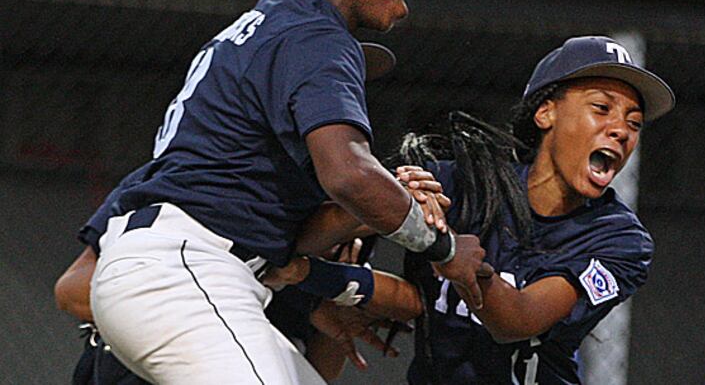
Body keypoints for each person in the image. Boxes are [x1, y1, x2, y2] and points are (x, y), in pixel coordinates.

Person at [83, 0, 493, 383]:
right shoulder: (316, 32)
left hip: (202, 271)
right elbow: (348, 173)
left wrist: (377, 212)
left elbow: (301, 222)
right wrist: (444, 248)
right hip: (183, 270)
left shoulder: (281, 18)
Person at [394, 36, 676, 384]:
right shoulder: (467, 185)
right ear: (546, 112)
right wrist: (397, 203)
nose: (621, 131)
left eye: (634, 123)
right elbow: (350, 216)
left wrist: (447, 249)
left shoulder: (620, 239)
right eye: (601, 108)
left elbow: (518, 320)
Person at [56, 166, 435, 383]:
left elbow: (319, 368)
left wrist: (330, 309)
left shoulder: (347, 210)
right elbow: (72, 291)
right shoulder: (197, 176)